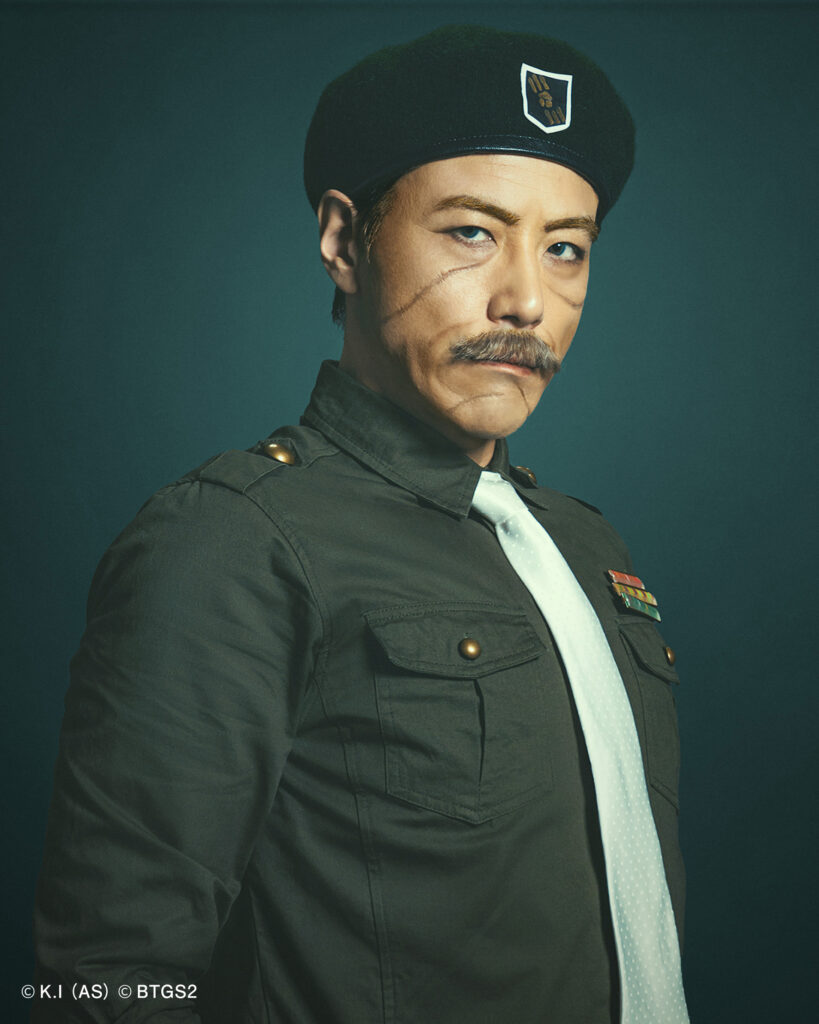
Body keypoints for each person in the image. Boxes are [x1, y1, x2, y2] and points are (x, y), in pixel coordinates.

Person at [33, 25, 688, 1024]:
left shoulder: (587, 549)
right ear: (346, 243)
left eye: (565, 248)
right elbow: (102, 980)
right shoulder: (233, 543)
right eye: (471, 232)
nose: (527, 299)